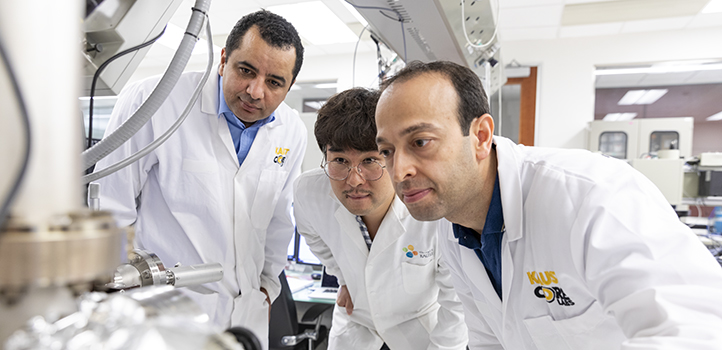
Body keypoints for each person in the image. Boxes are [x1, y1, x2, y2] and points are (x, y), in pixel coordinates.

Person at [374, 60, 722, 349]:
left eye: (420, 141)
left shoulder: (592, 197)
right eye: (387, 151)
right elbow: (489, 339)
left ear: (480, 136)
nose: (399, 169)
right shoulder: (453, 227)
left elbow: (694, 333)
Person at [93, 10, 306, 349]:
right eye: (246, 70)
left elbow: (279, 219)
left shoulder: (292, 129)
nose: (255, 91)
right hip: (165, 316)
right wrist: (126, 293)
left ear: (289, 85)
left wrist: (267, 288)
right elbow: (109, 210)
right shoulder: (154, 101)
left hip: (247, 317)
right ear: (224, 59)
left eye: (274, 82)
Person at [293, 88, 468, 350]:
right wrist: (345, 278)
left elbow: (456, 302)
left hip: (419, 328)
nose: (354, 180)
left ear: (393, 156)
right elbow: (315, 238)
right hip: (357, 325)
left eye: (370, 160)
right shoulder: (309, 193)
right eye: (339, 160)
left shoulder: (436, 210)